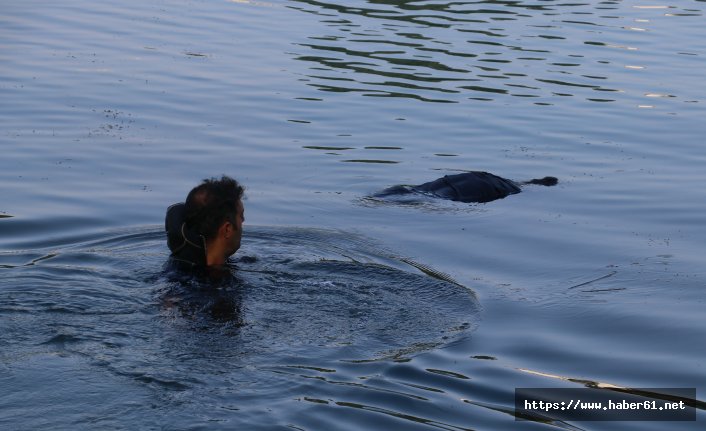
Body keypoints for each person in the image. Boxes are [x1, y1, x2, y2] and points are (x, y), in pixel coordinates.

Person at [165, 176, 245, 268]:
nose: (243, 220)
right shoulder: (219, 280)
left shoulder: (177, 266)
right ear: (227, 229)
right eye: (241, 216)